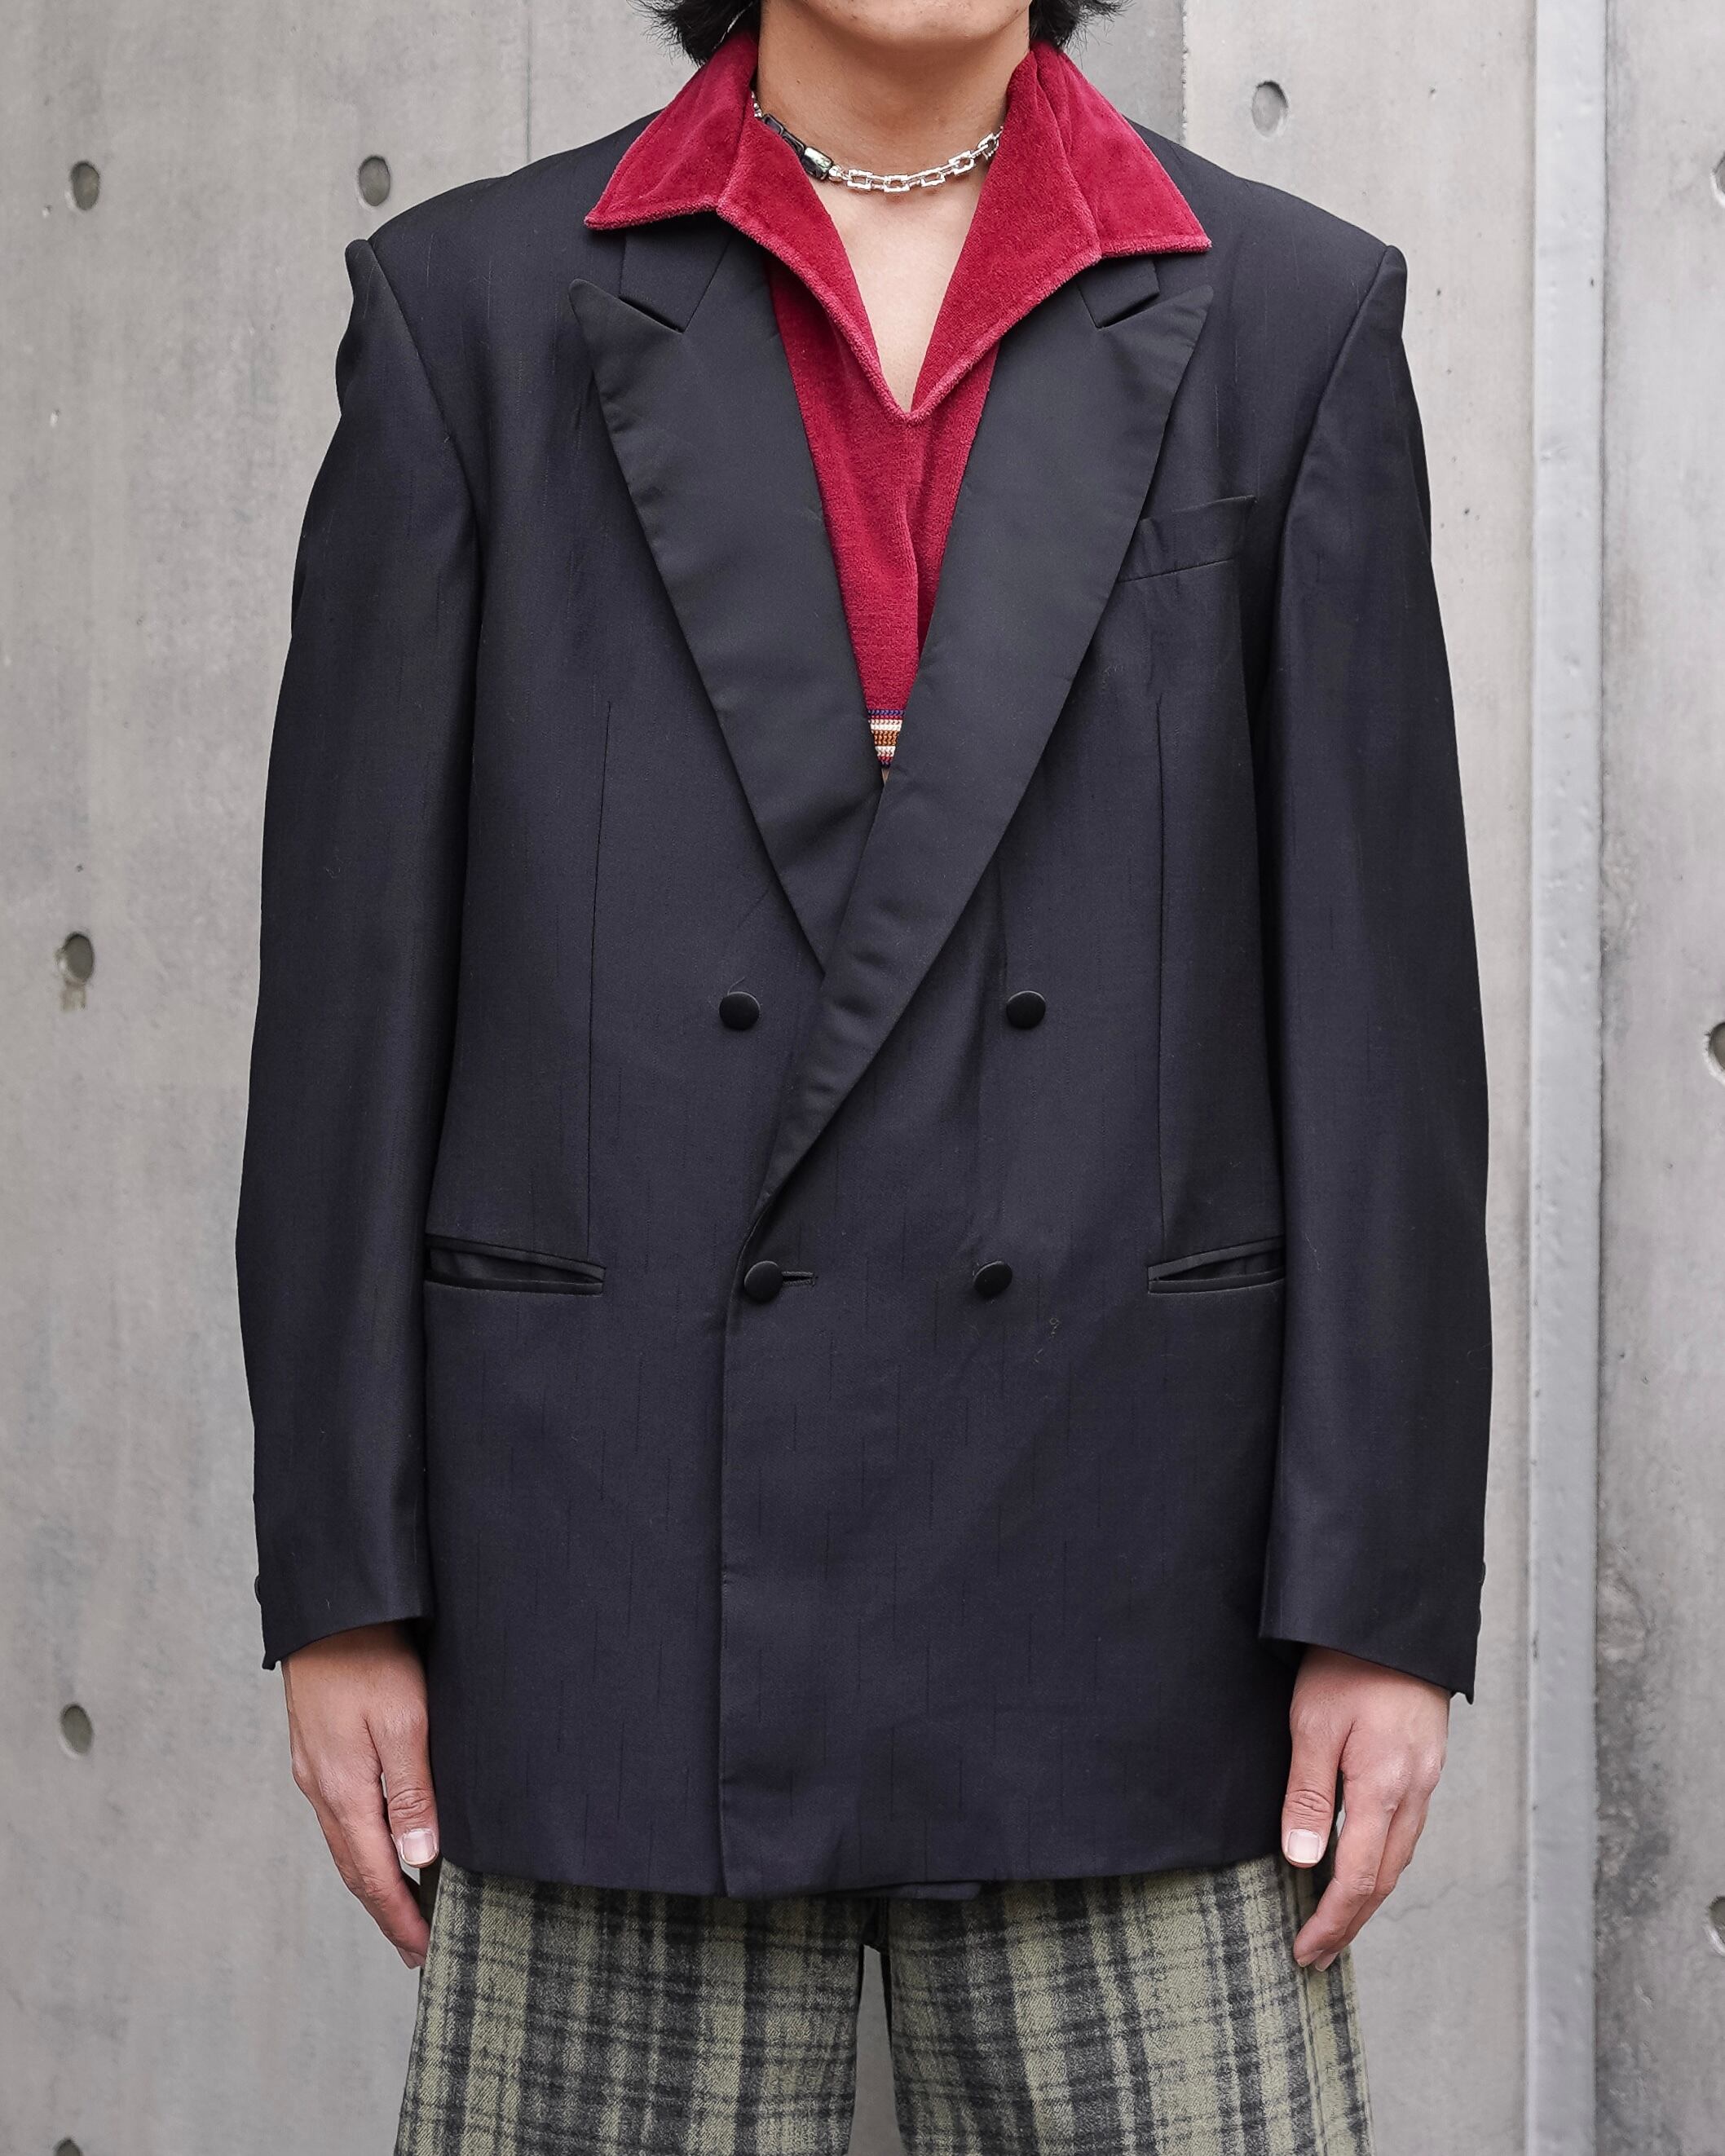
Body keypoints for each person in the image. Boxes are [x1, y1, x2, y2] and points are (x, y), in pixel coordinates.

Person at [236, 0, 1491, 2147]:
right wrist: (343, 1583)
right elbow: (351, 1014)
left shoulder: (1288, 317)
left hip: (1141, 1583)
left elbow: (1381, 1032)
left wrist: (1380, 1602)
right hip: (613, 1569)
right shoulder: (472, 314)